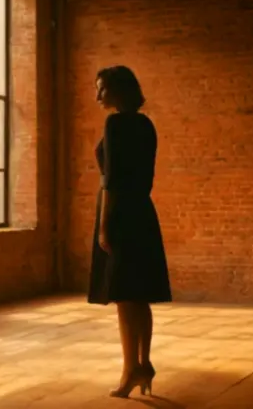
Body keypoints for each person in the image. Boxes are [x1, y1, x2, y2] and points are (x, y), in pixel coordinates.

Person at [87, 65, 172, 398]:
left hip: (120, 212)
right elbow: (140, 176)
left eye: (102, 89)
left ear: (118, 90)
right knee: (138, 294)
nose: (98, 96)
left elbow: (111, 180)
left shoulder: (115, 123)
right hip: (142, 211)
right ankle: (143, 364)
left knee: (124, 297)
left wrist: (104, 226)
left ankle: (129, 371)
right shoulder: (146, 124)